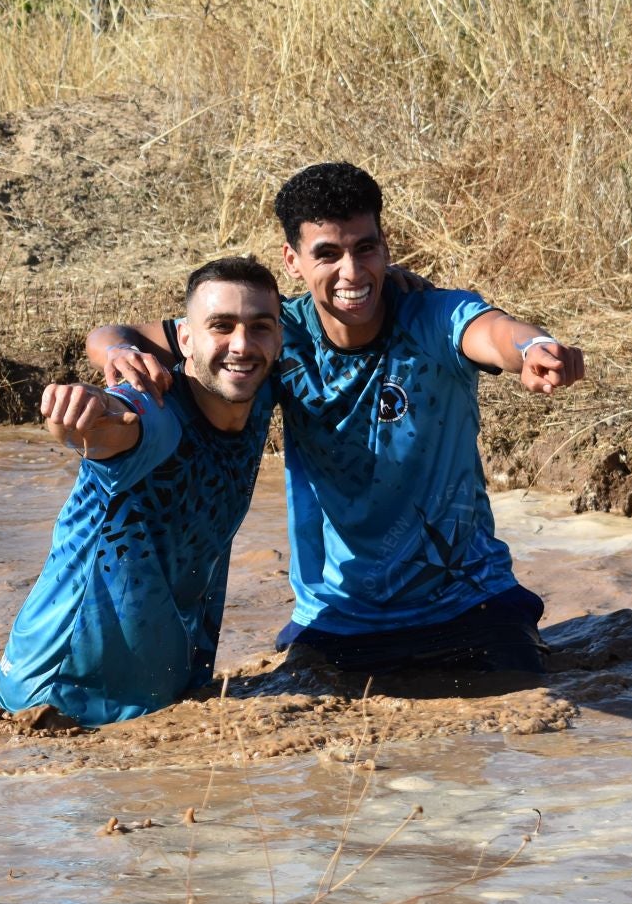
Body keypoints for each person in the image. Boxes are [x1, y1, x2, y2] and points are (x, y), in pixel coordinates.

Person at [86, 162, 586, 686]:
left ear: (385, 247)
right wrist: (118, 352)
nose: (351, 272)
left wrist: (532, 348)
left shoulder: (432, 316)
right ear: (293, 261)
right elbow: (114, 332)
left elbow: (494, 331)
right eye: (327, 253)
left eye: (364, 248)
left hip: (471, 604)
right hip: (338, 622)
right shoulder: (276, 334)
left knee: (524, 711)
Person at [0, 256, 282, 725]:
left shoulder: (255, 389)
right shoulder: (156, 415)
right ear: (184, 339)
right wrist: (82, 408)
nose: (241, 346)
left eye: (259, 328)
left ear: (279, 335)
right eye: (221, 327)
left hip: (162, 698)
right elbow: (111, 420)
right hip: (55, 703)